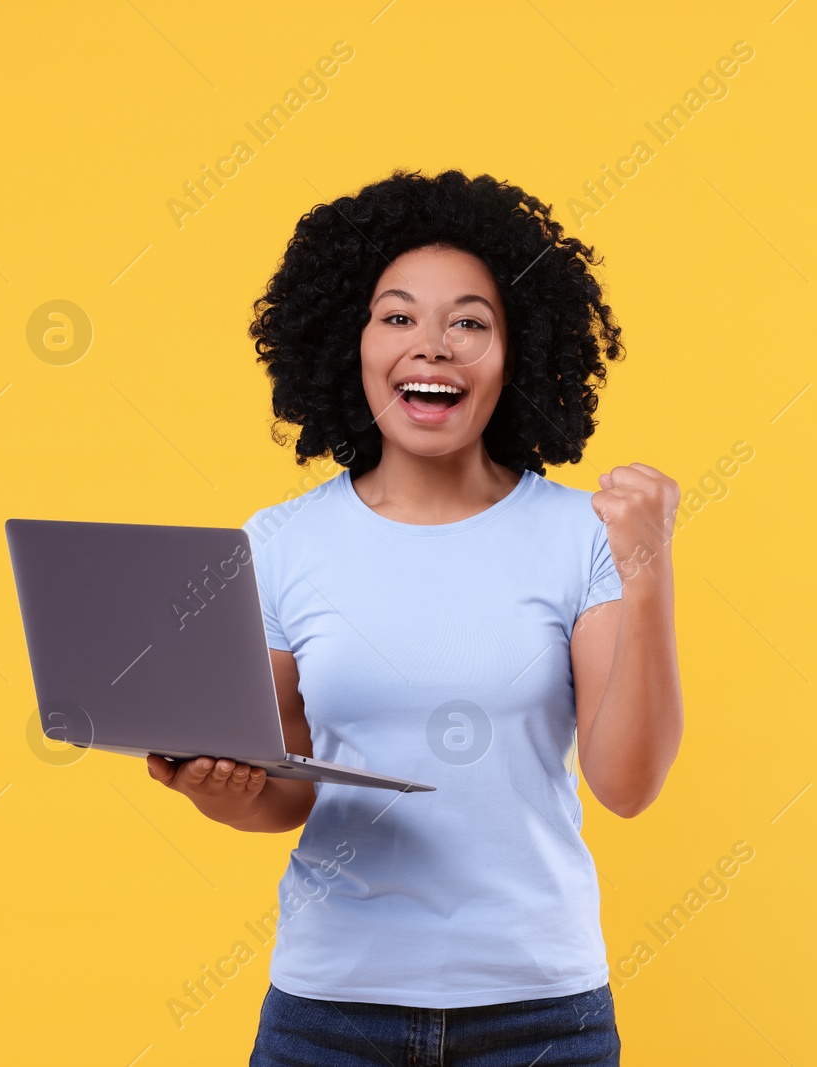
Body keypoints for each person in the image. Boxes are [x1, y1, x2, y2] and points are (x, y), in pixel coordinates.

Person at [144, 168, 684, 1066]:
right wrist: (217, 789)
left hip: (540, 1013)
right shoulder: (280, 543)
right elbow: (283, 789)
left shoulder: (582, 534)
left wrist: (649, 567)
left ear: (516, 355)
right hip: (330, 1012)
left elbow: (626, 784)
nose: (431, 346)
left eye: (468, 321)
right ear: (347, 344)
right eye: (397, 317)